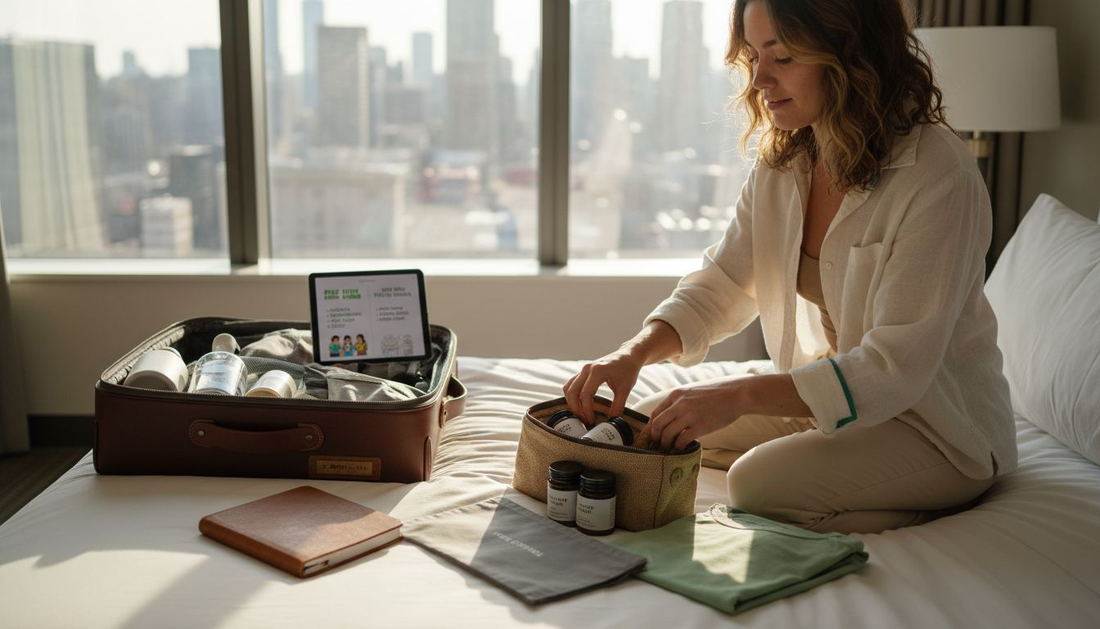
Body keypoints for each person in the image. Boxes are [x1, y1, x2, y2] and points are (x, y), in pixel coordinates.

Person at [563, 0, 1017, 534]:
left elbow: (895, 369)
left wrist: (741, 395)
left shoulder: (938, 177)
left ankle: (932, 513)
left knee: (757, 483)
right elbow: (725, 283)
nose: (759, 79)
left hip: (933, 425)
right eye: (754, 56)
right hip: (829, 397)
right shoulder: (786, 162)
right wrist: (632, 354)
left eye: (782, 58)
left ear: (849, 55)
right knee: (654, 424)